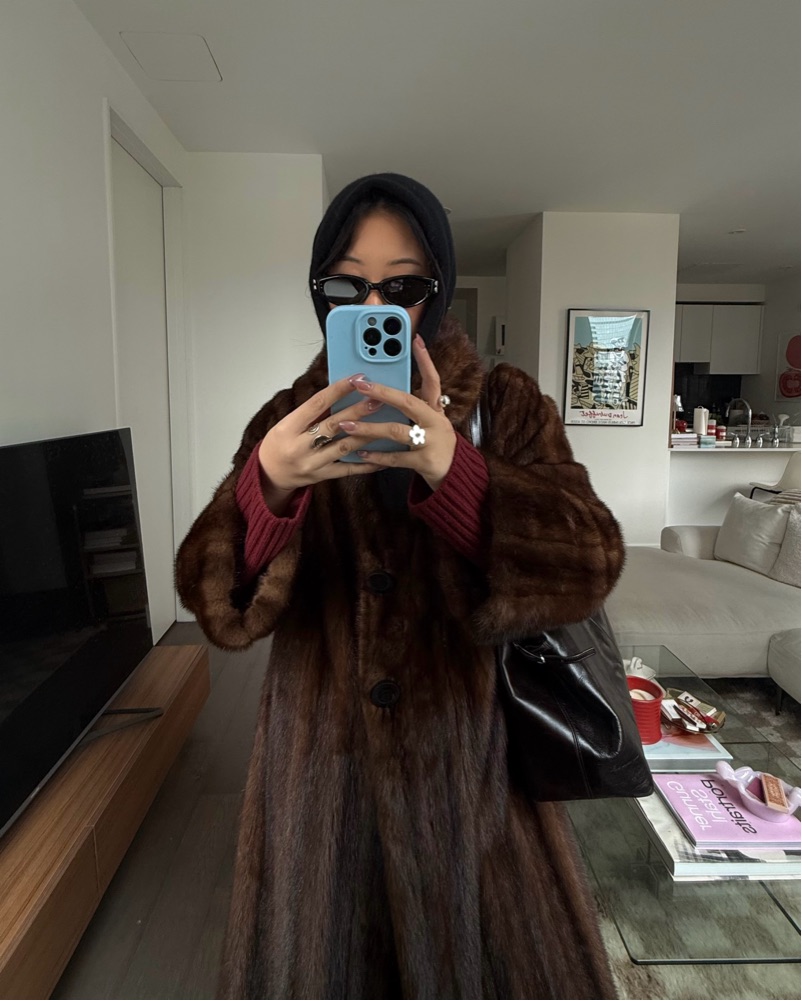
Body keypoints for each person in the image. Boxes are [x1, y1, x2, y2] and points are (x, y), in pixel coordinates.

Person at [175, 173, 625, 999]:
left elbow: (590, 559)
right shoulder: (287, 420)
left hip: (478, 795)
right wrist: (267, 488)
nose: (375, 305)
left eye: (404, 286)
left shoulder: (507, 405)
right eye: (347, 287)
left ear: (438, 292)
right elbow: (216, 605)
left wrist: (456, 469)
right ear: (322, 298)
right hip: (318, 799)